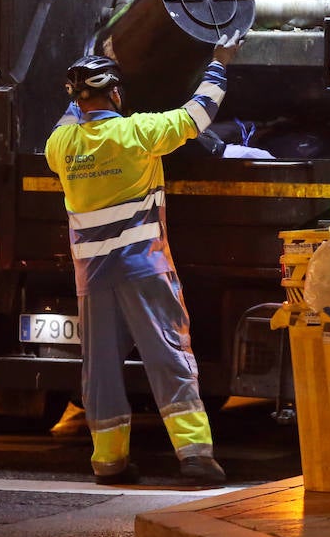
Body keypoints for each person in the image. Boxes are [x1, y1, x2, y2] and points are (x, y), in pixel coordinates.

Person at [44, 32, 244, 486]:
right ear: (116, 93)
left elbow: (66, 119)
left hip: (92, 278)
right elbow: (198, 115)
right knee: (167, 354)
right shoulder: (137, 134)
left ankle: (109, 461)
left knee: (100, 370)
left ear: (78, 99)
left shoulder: (61, 148)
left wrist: (82, 86)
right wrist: (220, 62)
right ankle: (194, 456)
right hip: (143, 270)